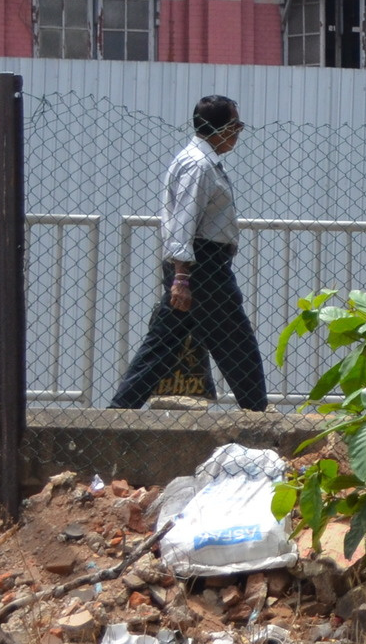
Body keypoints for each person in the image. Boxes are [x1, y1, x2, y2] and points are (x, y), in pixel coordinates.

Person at [110, 95, 267, 410]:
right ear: (218, 129)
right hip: (202, 265)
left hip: (198, 264)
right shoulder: (198, 165)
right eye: (235, 126)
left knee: (163, 344)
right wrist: (182, 277)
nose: (238, 133)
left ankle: (120, 409)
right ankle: (258, 413)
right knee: (236, 341)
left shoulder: (201, 161)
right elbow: (184, 221)